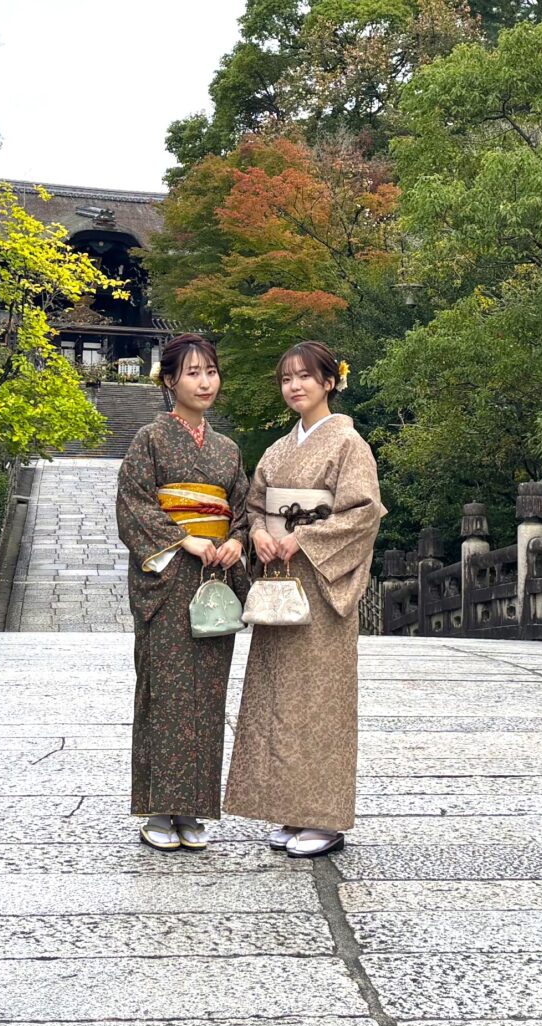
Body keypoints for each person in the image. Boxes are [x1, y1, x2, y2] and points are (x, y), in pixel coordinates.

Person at [226, 340, 381, 857]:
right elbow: (252, 505)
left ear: (330, 381)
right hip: (278, 580)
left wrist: (304, 538)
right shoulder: (276, 450)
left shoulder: (347, 445)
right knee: (278, 702)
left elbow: (361, 512)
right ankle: (289, 811)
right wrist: (258, 535)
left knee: (320, 703)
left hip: (320, 585)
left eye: (305, 377)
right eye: (286, 378)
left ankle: (325, 818)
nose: (294, 387)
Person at [114, 333, 248, 851]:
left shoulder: (227, 449)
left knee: (208, 698)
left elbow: (242, 508)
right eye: (193, 372)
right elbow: (134, 504)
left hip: (214, 577)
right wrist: (182, 539)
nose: (205, 381)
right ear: (169, 380)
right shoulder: (149, 439)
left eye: (211, 371)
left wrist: (236, 542)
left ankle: (193, 809)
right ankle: (156, 808)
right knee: (165, 693)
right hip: (168, 580)